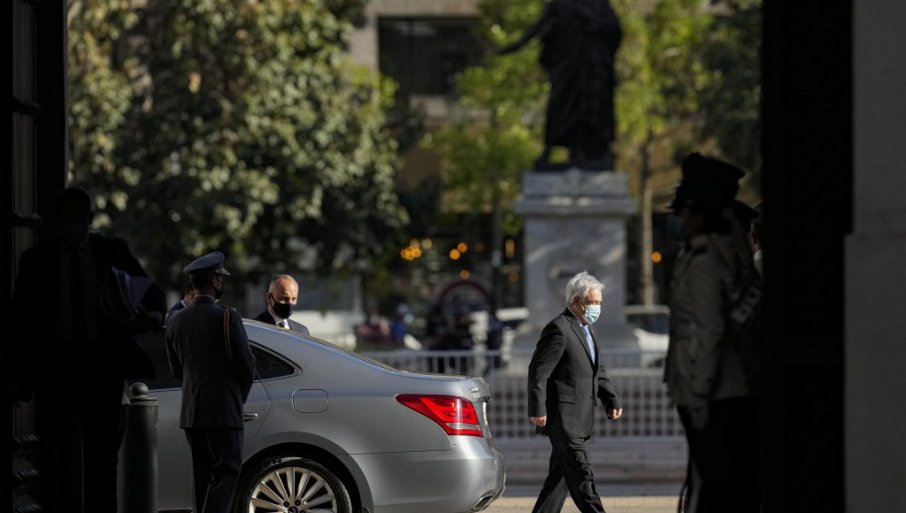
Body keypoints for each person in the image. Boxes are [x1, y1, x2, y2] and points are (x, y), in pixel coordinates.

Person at [11, 186, 165, 513]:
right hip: (56, 368)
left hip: (101, 368)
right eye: (65, 220)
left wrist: (150, 316)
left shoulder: (111, 252)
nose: (70, 226)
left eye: (76, 219)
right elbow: (21, 322)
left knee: (103, 461)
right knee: (55, 460)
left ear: (89, 219)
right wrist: (21, 378)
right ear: (55, 220)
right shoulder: (36, 261)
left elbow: (151, 293)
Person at [664, 153, 762, 513]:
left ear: (698, 213)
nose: (679, 219)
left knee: (718, 487)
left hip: (713, 391)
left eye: (685, 211)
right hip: (718, 388)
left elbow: (709, 330)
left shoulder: (705, 259)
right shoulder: (710, 252)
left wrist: (699, 393)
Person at [165, 251, 256, 513]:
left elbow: (176, 370)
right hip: (224, 412)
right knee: (226, 474)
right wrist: (236, 400)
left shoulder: (175, 320)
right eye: (220, 278)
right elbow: (246, 367)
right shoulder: (227, 317)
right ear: (215, 281)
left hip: (192, 414)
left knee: (202, 480)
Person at [527, 271, 623, 513]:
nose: (598, 308)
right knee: (582, 476)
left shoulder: (587, 330)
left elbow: (596, 369)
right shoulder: (559, 329)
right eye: (594, 302)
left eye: (600, 302)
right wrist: (538, 408)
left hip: (580, 418)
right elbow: (539, 371)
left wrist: (610, 398)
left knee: (558, 481)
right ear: (577, 302)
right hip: (564, 419)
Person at [499, 0, 622, 170]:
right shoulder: (560, 3)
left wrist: (596, 24)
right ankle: (550, 148)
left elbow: (614, 29)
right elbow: (539, 26)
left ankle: (590, 150)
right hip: (567, 65)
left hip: (593, 67)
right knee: (560, 103)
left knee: (594, 107)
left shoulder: (598, 3)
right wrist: (517, 45)